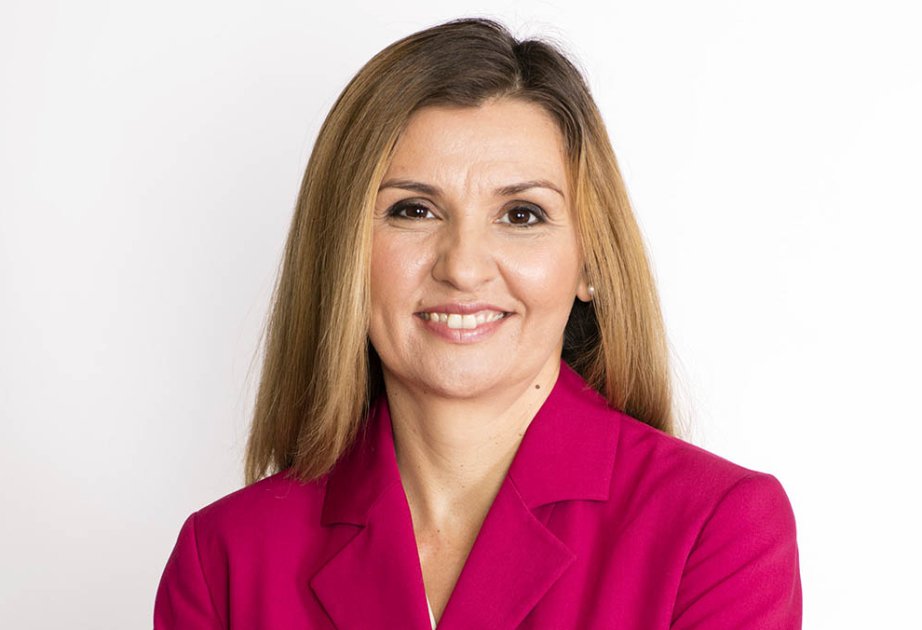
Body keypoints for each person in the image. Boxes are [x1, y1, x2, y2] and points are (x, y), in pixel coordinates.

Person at [154, 17, 802, 629]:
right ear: (344, 253)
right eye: (413, 210)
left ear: (590, 262)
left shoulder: (715, 531)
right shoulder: (224, 560)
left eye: (521, 215)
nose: (463, 268)